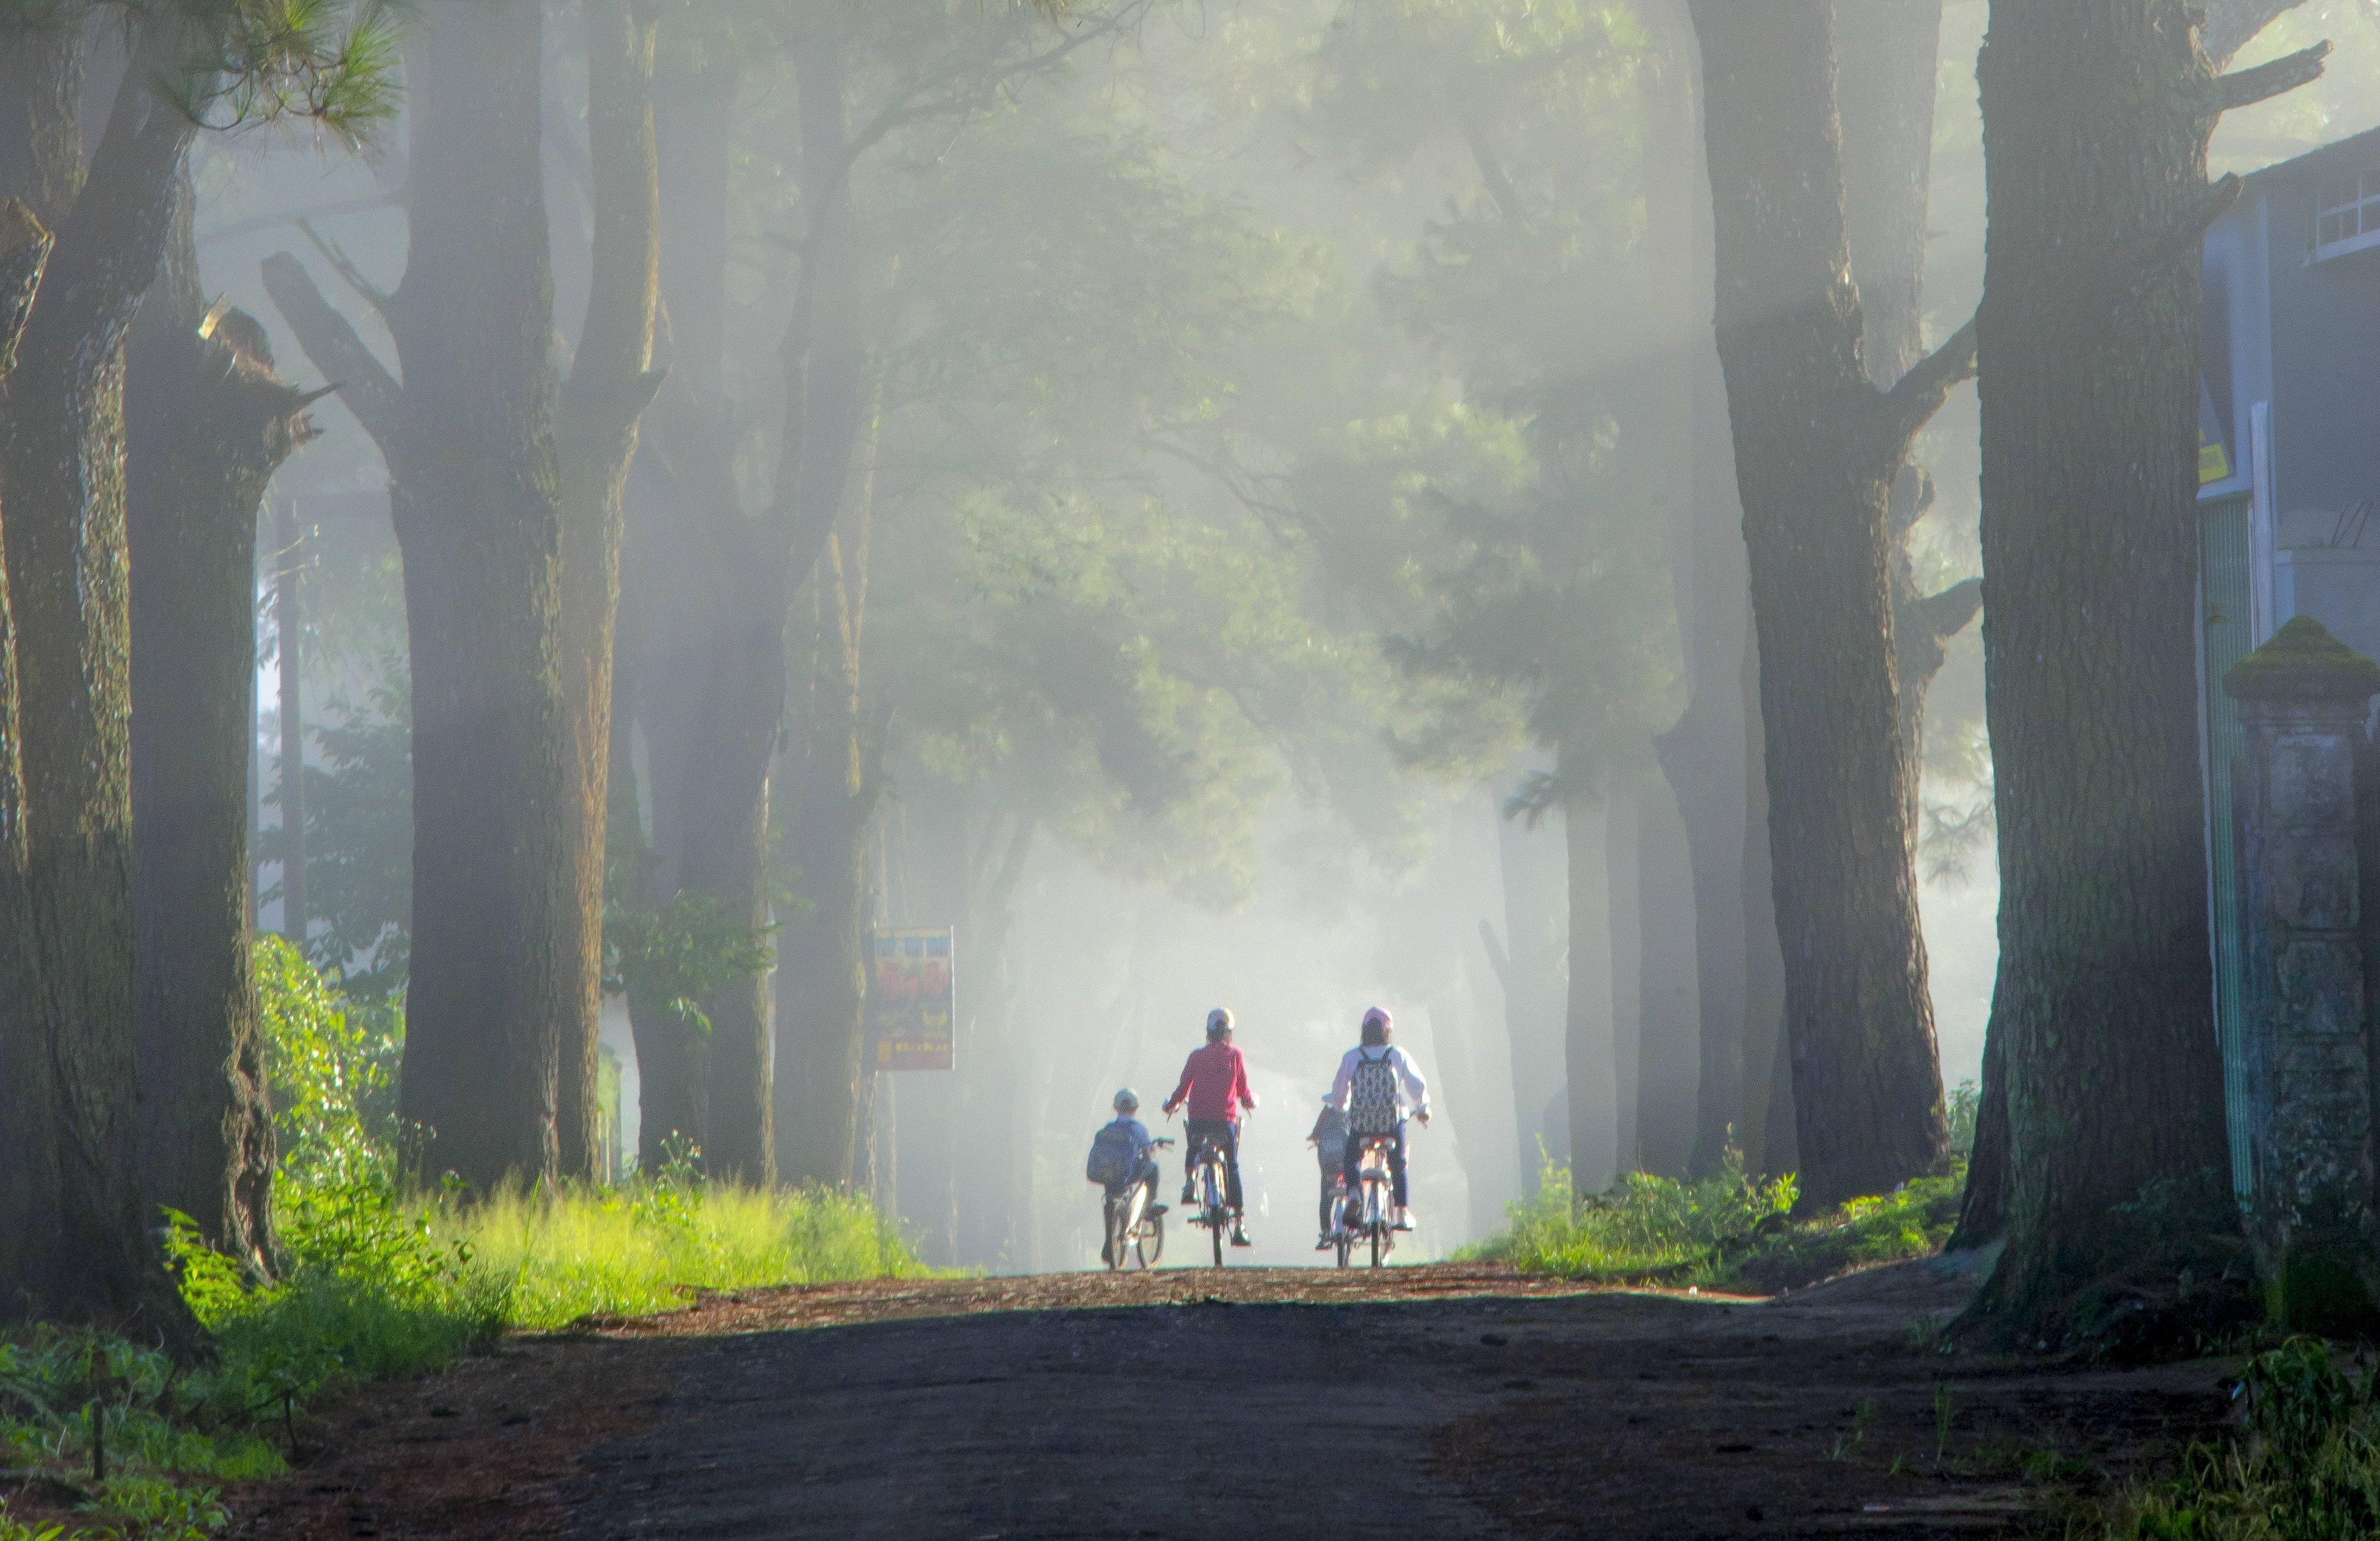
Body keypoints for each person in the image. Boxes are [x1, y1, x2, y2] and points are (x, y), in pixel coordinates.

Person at [1163, 1007, 1258, 1246]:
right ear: (1229, 1032)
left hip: (1198, 1120)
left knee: (1194, 1147)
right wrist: (1249, 1102)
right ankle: (1239, 1224)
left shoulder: (1196, 1057)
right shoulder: (1235, 1056)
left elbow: (1182, 1089)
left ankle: (1190, 1182)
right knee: (1233, 1166)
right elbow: (1244, 1093)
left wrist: (1171, 1105)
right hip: (1224, 1122)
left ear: (1208, 1032)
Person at [1329, 1005, 1430, 1232]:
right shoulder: (1397, 1055)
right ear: (1388, 1030)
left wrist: (1340, 1107)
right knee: (1399, 1163)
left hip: (1361, 1124)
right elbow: (1418, 1087)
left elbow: (1338, 1094)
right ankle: (1402, 1212)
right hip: (1391, 1124)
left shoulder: (1352, 1056)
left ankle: (1355, 1193)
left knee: (1351, 1158)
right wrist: (1423, 1106)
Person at [1090, 1088, 1164, 1265]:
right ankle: (1151, 1205)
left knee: (1111, 1200)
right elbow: (1147, 1155)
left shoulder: (1107, 1128)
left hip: (1106, 1173)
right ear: (1135, 1108)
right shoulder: (1138, 1128)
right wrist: (1151, 1150)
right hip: (1126, 1174)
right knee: (1152, 1168)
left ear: (1116, 1108)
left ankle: (1109, 1241)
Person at [1305, 1095, 1348, 1250]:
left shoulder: (1326, 1112)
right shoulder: (1351, 1109)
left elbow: (1315, 1133)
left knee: (1326, 1197)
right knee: (1355, 1186)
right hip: (1346, 1163)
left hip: (1328, 1165)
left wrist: (1314, 1137)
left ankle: (1325, 1233)